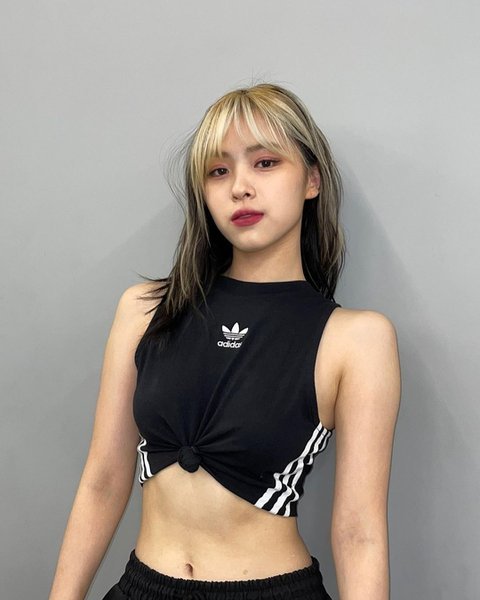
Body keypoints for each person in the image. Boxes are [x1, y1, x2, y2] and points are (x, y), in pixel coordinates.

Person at [48, 82, 401, 600]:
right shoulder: (145, 311)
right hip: (142, 587)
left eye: (265, 163)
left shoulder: (356, 340)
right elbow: (103, 479)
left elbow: (359, 533)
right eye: (218, 171)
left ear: (311, 179)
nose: (240, 187)